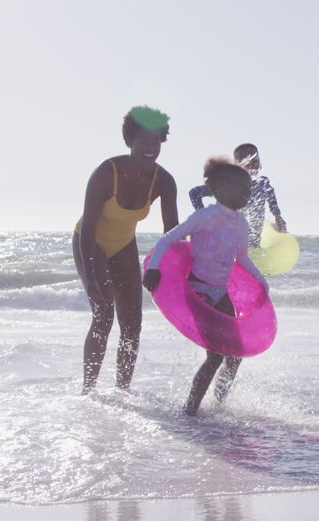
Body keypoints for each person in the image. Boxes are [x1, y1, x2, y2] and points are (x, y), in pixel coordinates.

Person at [144, 157, 268, 416]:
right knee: (215, 358)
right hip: (199, 292)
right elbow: (169, 239)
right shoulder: (205, 216)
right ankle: (190, 410)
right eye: (241, 188)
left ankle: (218, 405)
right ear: (220, 188)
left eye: (249, 190)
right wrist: (154, 267)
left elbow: (241, 258)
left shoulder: (241, 224)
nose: (247, 194)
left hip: (220, 292)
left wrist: (260, 281)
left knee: (234, 355)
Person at [73, 106, 179, 395]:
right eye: (143, 140)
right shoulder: (107, 173)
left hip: (123, 247)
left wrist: (166, 274)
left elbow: (173, 235)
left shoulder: (164, 182)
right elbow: (90, 227)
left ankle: (122, 393)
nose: (150, 148)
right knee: (104, 314)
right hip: (90, 242)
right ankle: (89, 391)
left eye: (156, 141)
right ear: (130, 140)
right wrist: (91, 279)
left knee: (133, 325)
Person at [188, 143, 287, 247]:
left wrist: (278, 216)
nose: (253, 165)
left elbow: (272, 199)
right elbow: (195, 193)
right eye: (248, 163)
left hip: (252, 247)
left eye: (256, 161)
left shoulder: (262, 183)